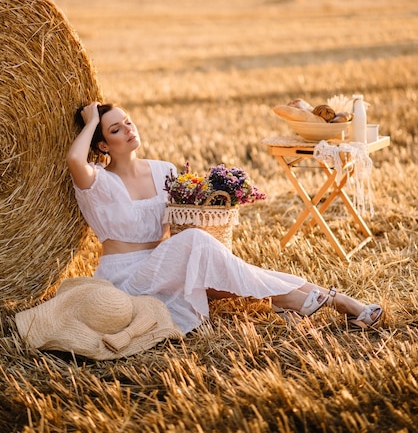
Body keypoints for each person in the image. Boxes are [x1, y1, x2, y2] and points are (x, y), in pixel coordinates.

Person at [66, 102, 384, 335]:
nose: (128, 130)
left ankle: (332, 300)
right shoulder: (97, 182)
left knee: (240, 274)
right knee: (204, 251)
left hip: (165, 263)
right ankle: (328, 301)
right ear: (104, 144)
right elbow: (74, 158)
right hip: (126, 279)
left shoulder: (164, 170)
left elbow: (184, 217)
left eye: (129, 121)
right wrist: (92, 120)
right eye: (115, 129)